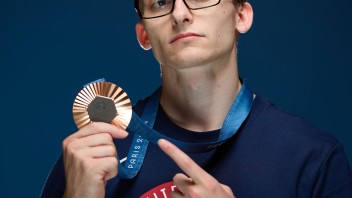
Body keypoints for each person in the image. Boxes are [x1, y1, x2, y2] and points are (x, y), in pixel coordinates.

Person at [41, 0, 352, 197]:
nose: (180, 13)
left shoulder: (314, 158)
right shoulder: (90, 154)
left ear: (240, 15)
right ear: (144, 35)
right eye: (160, 2)